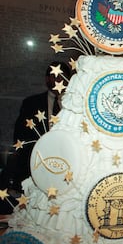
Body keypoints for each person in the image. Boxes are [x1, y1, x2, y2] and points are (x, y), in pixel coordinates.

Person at [0, 61, 72, 193]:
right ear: (46, 79)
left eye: (62, 76)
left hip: (69, 161)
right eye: (54, 76)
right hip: (36, 162)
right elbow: (20, 134)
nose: (58, 80)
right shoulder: (31, 103)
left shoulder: (75, 104)